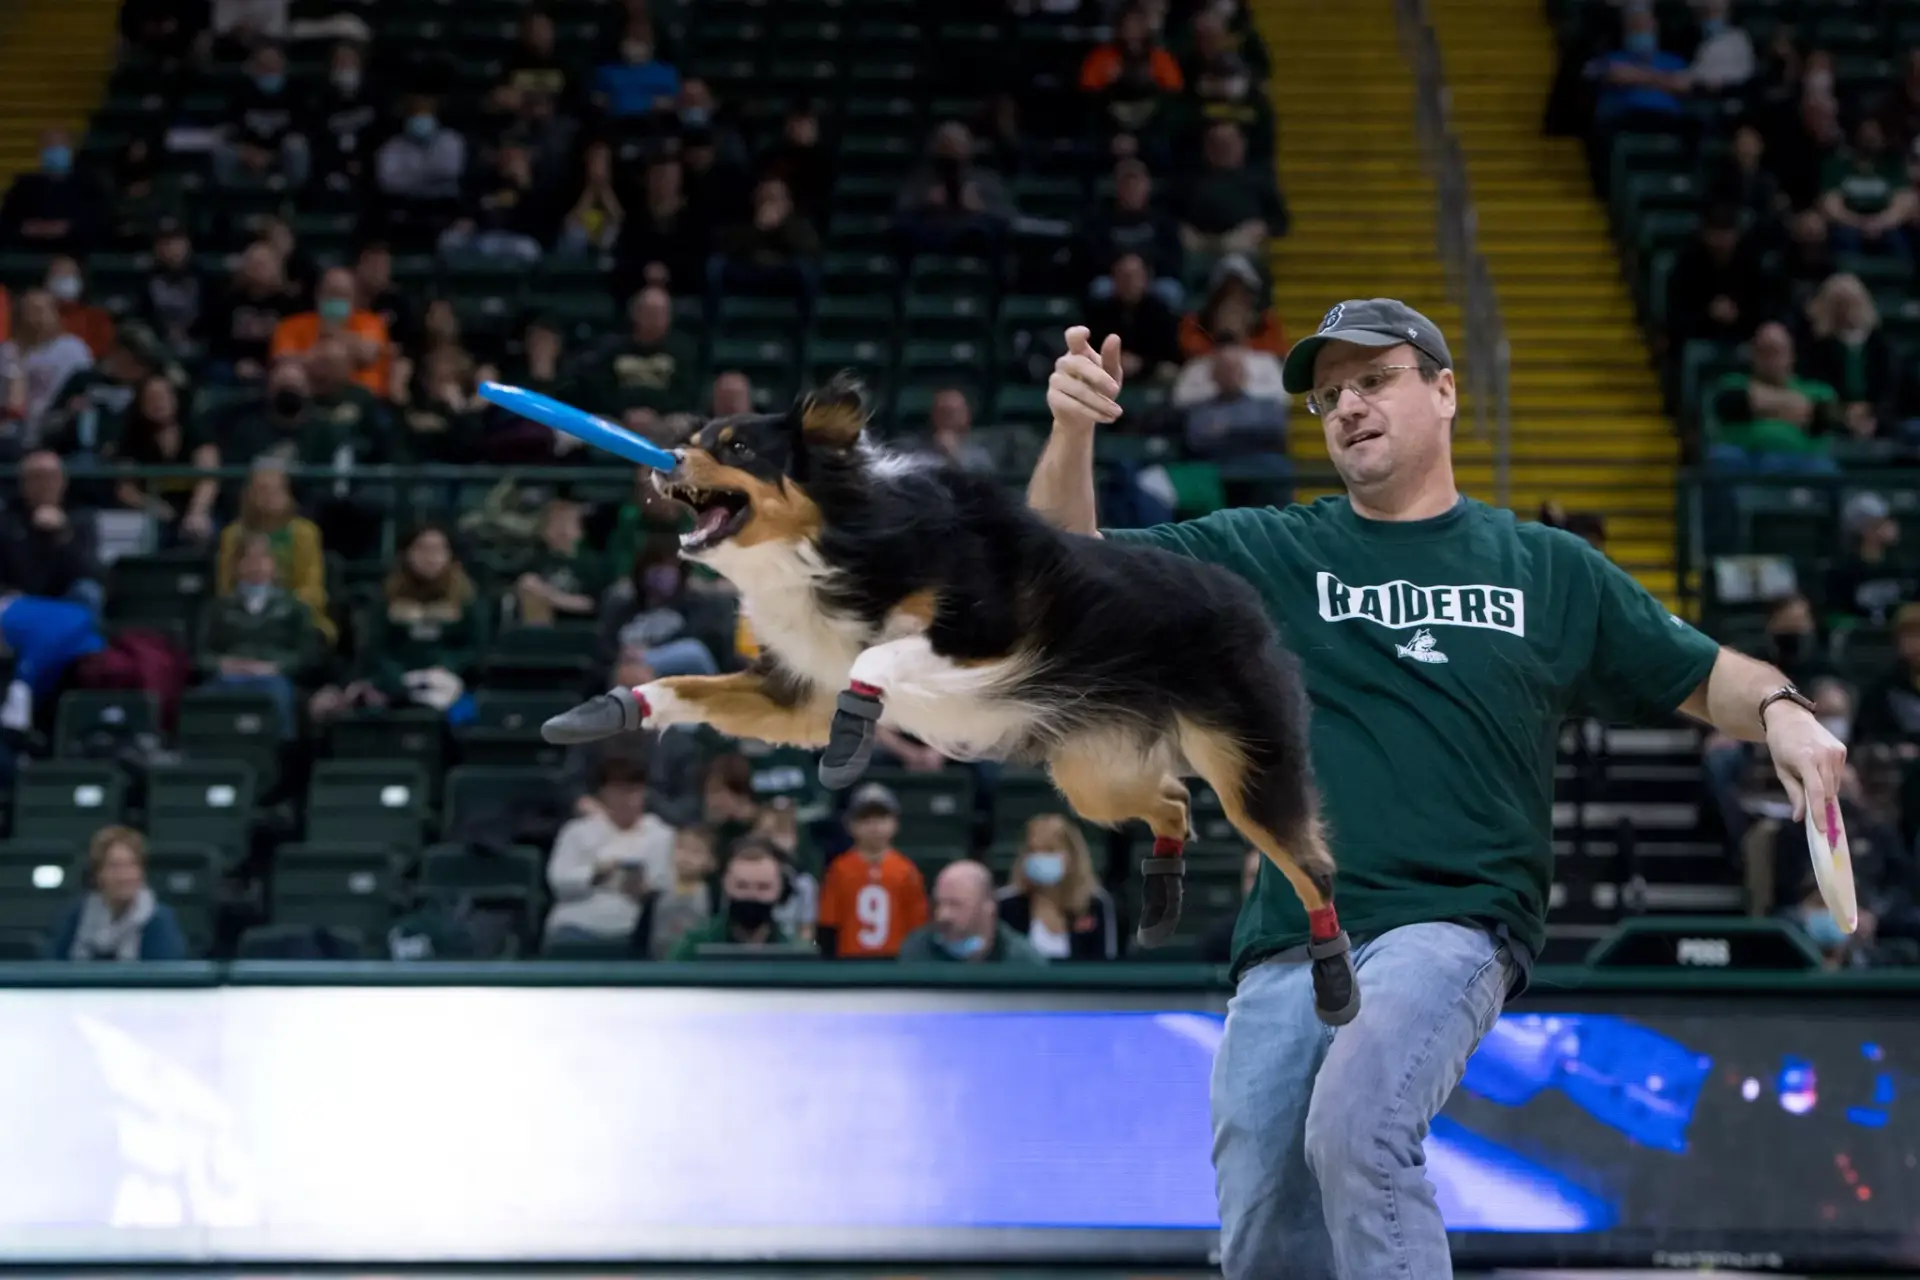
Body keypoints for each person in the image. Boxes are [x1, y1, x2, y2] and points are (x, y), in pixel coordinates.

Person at [1030, 303, 1849, 1280]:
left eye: (1372, 380)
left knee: (1355, 1127)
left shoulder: (1544, 568)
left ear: (1444, 389)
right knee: (1261, 1201)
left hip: (1453, 917)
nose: (1346, 407)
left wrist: (1787, 710)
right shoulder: (1273, 551)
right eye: (1329, 394)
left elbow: (1705, 672)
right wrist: (1073, 429)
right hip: (1295, 928)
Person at [815, 782, 928, 959]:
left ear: (895, 823)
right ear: (850, 825)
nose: (874, 826)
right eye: (865, 818)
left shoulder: (906, 871)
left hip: (895, 961)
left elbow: (916, 926)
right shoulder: (840, 869)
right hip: (850, 960)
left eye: (881, 817)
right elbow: (829, 923)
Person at [48, 826, 188, 961]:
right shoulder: (77, 914)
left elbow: (165, 977)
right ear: (98, 873)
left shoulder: (159, 920)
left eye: (131, 865)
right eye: (114, 866)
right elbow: (54, 967)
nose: (123, 876)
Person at [994, 813, 1120, 960]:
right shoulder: (1004, 905)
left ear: (1072, 856)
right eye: (1033, 850)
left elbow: (1105, 965)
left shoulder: (1096, 905)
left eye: (1050, 850)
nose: (1039, 857)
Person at [897, 859, 1046, 964]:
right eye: (939, 903)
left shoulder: (1022, 959)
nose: (943, 915)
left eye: (955, 905)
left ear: (988, 908)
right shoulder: (917, 951)